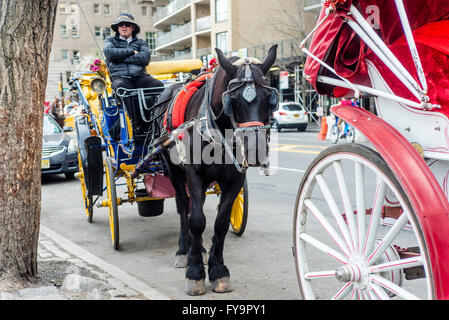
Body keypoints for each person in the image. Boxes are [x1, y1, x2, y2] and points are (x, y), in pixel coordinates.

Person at [103, 13, 163, 136]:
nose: (124, 27)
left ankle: (157, 121)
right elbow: (110, 53)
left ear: (133, 28)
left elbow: (145, 58)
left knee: (158, 86)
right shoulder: (110, 41)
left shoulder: (141, 43)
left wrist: (120, 58)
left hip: (140, 77)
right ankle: (134, 124)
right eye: (121, 25)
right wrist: (131, 52)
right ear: (117, 28)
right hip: (121, 78)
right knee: (122, 88)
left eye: (127, 24)